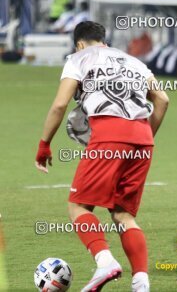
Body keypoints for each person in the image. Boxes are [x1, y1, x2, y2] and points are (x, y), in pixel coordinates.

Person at [34, 21, 169, 291]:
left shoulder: (78, 58)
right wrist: (144, 138)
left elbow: (60, 104)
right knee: (123, 215)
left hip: (109, 135)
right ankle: (141, 282)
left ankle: (104, 261)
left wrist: (44, 144)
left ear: (80, 44)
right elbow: (163, 99)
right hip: (143, 140)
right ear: (103, 40)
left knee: (78, 207)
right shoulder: (134, 61)